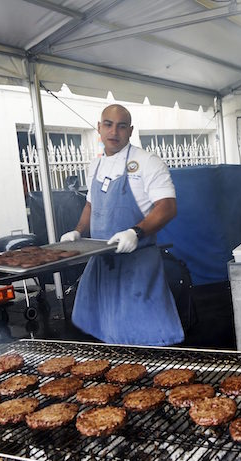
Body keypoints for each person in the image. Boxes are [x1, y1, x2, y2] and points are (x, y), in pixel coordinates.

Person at [60, 104, 184, 346]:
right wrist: (78, 231)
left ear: (130, 131)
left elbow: (168, 207)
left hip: (137, 265)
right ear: (99, 127)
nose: (113, 131)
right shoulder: (94, 165)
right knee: (104, 331)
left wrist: (135, 232)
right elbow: (91, 205)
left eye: (121, 126)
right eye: (108, 124)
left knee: (144, 334)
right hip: (102, 264)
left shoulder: (148, 162)